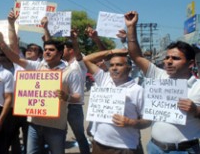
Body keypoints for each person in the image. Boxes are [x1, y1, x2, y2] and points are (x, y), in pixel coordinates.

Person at [0, 30, 83, 154]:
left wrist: (66, 96)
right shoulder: (37, 66)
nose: (47, 51)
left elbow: (78, 97)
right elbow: (17, 59)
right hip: (34, 124)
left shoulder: (71, 72)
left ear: (60, 53)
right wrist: (2, 43)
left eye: (51, 50)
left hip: (56, 126)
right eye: (46, 49)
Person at [126, 11, 200, 153]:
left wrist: (195, 110)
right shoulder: (159, 75)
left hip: (183, 151)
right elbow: (136, 56)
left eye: (175, 58)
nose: (168, 62)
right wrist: (131, 27)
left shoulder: (198, 86)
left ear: (191, 63)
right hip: (155, 148)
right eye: (167, 58)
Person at [83, 49, 151, 154]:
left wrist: (131, 122)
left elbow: (148, 120)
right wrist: (112, 51)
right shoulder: (104, 80)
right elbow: (87, 59)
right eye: (111, 65)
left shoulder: (138, 90)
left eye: (119, 65)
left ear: (129, 68)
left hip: (125, 147)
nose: (114, 68)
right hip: (99, 145)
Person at [61, 29, 90, 154]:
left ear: (70, 50)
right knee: (60, 133)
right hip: (62, 104)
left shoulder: (80, 62)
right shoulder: (63, 64)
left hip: (75, 106)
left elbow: (78, 55)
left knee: (79, 135)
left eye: (63, 49)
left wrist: (74, 40)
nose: (61, 51)